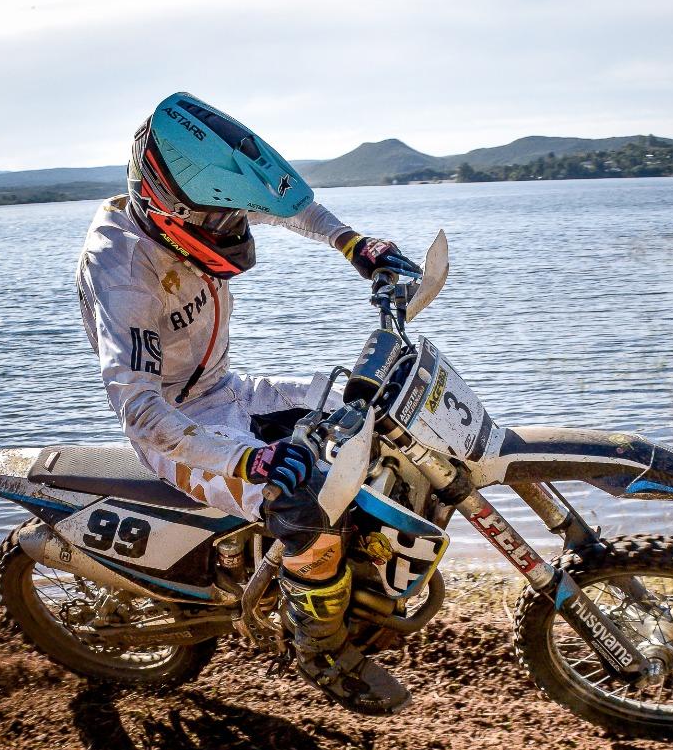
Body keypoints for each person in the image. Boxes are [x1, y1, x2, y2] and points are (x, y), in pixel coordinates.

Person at [77, 92, 421, 715]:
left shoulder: (194, 206)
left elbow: (288, 207)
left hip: (228, 391)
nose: (235, 230)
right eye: (223, 224)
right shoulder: (123, 273)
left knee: (372, 399)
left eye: (236, 219)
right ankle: (322, 653)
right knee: (304, 509)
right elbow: (145, 416)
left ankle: (364, 559)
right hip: (179, 430)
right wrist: (249, 462)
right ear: (166, 210)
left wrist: (352, 244)